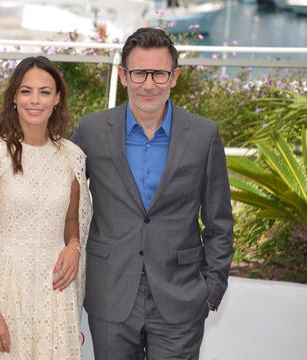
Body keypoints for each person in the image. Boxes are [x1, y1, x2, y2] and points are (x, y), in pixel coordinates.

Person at [71, 28, 234, 359]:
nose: (148, 84)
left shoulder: (203, 135)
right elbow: (64, 203)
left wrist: (211, 288)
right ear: (123, 75)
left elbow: (219, 220)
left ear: (174, 77)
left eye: (158, 73)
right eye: (139, 73)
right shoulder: (90, 131)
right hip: (110, 292)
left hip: (181, 297)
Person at [0, 56, 92, 359]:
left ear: (57, 99)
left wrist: (74, 246)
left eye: (44, 91)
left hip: (53, 295)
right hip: (2, 290)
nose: (35, 100)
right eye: (26, 91)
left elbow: (73, 220)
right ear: (13, 97)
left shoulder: (72, 157)